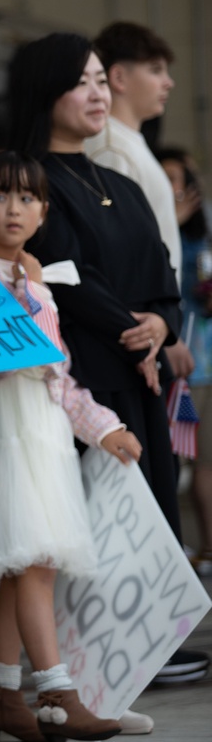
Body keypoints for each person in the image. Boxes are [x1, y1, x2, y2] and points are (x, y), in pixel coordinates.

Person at [8, 33, 208, 686]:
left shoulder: (117, 181)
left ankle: (145, 641)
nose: (97, 94)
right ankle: (83, 657)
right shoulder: (29, 179)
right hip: (79, 371)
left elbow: (160, 274)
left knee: (145, 503)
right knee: (86, 513)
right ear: (47, 91)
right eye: (81, 82)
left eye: (101, 80)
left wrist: (163, 322)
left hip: (134, 365)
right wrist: (134, 327)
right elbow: (63, 276)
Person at [0, 152, 142, 742]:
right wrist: (25, 295)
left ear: (44, 211)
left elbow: (59, 374)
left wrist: (101, 426)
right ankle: (56, 691)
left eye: (27, 198)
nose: (13, 208)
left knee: (20, 564)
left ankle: (3, 694)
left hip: (43, 431)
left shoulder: (38, 277)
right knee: (32, 559)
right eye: (0, 196)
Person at [85, 21, 193, 384]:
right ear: (119, 77)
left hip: (155, 323)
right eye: (156, 69)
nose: (168, 82)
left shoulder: (127, 143)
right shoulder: (111, 149)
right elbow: (118, 252)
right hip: (140, 328)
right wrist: (162, 327)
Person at [158, 148, 212, 573]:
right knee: (184, 456)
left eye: (179, 179)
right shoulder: (161, 229)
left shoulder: (204, 229)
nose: (173, 189)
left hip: (203, 360)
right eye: (165, 179)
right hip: (179, 366)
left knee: (204, 455)